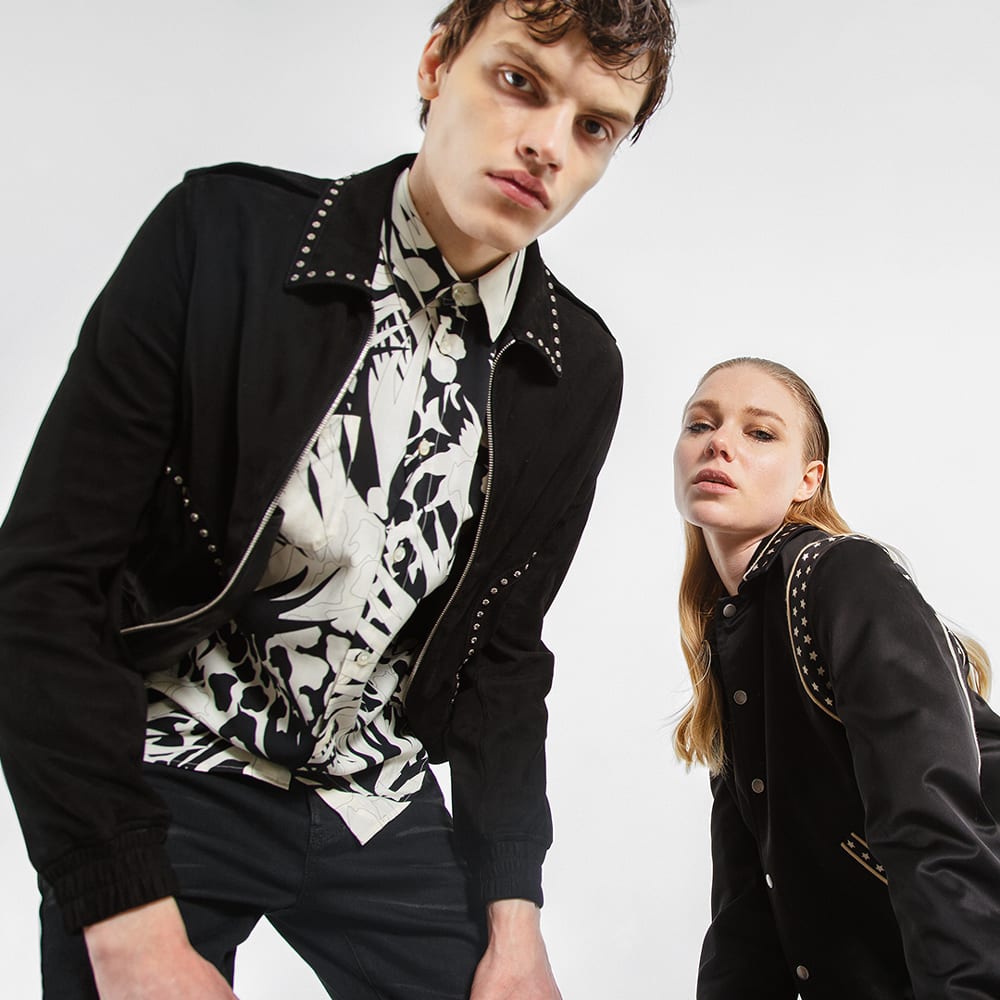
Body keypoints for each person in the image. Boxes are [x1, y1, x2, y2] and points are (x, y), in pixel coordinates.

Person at [0, 2, 676, 997]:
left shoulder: (573, 369)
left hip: (371, 790)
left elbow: (501, 658)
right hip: (171, 756)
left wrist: (513, 912)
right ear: (437, 62)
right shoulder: (226, 235)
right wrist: (124, 919)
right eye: (519, 81)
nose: (547, 145)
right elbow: (46, 583)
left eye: (595, 126)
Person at [672, 356, 1000, 999]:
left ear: (808, 479)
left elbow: (932, 823)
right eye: (700, 424)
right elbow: (746, 908)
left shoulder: (842, 575)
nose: (719, 443)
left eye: (759, 432)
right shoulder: (732, 642)